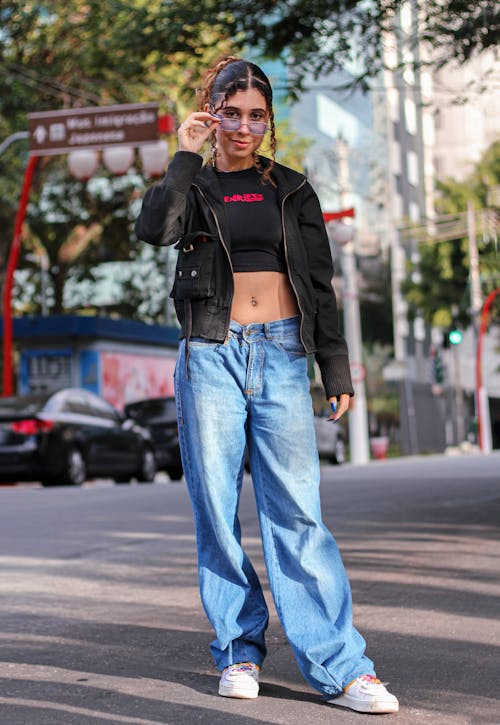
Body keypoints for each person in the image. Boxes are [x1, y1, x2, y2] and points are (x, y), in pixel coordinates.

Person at [134, 56, 399, 715]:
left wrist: (333, 365)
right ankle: (238, 650)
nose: (244, 126)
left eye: (256, 115)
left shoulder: (292, 189)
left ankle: (341, 667)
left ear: (268, 121)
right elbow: (154, 229)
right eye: (231, 112)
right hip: (210, 351)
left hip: (281, 352)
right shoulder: (191, 183)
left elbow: (319, 284)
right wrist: (184, 155)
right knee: (216, 508)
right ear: (211, 110)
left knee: (298, 510)